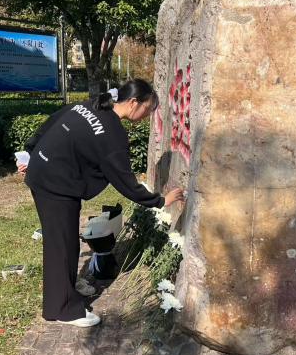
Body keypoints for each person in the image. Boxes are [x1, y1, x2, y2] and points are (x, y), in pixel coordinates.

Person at [16, 79, 184, 328]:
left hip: (42, 172)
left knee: (60, 242)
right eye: (147, 110)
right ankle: (63, 310)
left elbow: (51, 122)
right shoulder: (112, 133)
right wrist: (159, 201)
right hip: (56, 185)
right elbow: (124, 180)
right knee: (62, 245)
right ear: (133, 102)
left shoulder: (91, 105)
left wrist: (29, 152)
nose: (146, 116)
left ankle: (64, 290)